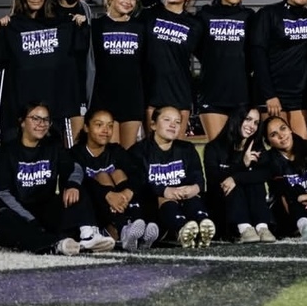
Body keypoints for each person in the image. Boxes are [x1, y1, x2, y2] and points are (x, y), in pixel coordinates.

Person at [0, 102, 115, 255]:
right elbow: (3, 193)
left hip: (45, 209)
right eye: (36, 119)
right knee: (10, 223)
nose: (42, 124)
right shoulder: (7, 152)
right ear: (22, 122)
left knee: (79, 187)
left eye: (46, 120)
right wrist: (30, 219)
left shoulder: (53, 147)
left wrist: (73, 185)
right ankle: (55, 244)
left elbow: (75, 167)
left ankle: (88, 235)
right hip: (16, 212)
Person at [0, 0, 88, 145]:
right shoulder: (10, 26)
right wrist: (2, 29)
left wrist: (79, 24)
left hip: (53, 108)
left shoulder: (61, 24)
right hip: (20, 108)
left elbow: (80, 51)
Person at [70, 109, 158, 251]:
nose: (105, 130)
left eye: (110, 126)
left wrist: (128, 192)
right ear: (86, 127)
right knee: (102, 175)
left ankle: (135, 228)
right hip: (96, 209)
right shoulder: (75, 153)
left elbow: (137, 173)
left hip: (122, 204)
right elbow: (81, 183)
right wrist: (107, 194)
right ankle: (121, 229)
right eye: (99, 125)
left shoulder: (115, 150)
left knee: (119, 173)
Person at [129, 105, 215, 248]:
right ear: (153, 125)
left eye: (177, 122)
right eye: (167, 120)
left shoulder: (187, 148)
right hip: (154, 206)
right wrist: (165, 191)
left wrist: (193, 189)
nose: (173, 125)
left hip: (184, 201)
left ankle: (202, 226)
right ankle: (182, 230)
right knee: (165, 200)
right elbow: (138, 183)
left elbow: (198, 178)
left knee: (193, 197)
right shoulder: (139, 151)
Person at [248, 0, 307, 139]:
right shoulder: (268, 13)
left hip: (298, 94)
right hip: (271, 93)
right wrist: (269, 95)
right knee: (277, 145)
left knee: (301, 146)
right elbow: (258, 56)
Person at [139, 0, 203, 137]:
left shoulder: (194, 24)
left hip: (179, 91)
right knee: (151, 145)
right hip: (152, 90)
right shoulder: (147, 15)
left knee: (177, 147)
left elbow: (207, 56)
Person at [194, 0, 255, 141]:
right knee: (217, 149)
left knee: (239, 149)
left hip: (241, 93)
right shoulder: (204, 14)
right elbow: (197, 48)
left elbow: (254, 51)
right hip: (211, 93)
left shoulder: (249, 16)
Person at [203, 106, 275, 243]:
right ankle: (244, 228)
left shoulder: (256, 146)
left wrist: (235, 178)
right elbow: (213, 179)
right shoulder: (214, 147)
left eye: (256, 122)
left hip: (251, 205)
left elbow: (266, 174)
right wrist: (242, 165)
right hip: (222, 206)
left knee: (250, 181)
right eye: (248, 119)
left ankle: (262, 227)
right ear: (236, 119)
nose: (252, 126)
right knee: (234, 184)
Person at [90, 0, 145, 150]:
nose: (128, 1)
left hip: (132, 100)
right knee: (110, 155)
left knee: (129, 155)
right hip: (104, 101)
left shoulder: (140, 27)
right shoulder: (95, 26)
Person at [51, 0, 96, 142]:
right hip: (51, 84)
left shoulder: (85, 9)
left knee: (76, 143)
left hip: (77, 85)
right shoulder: (47, 8)